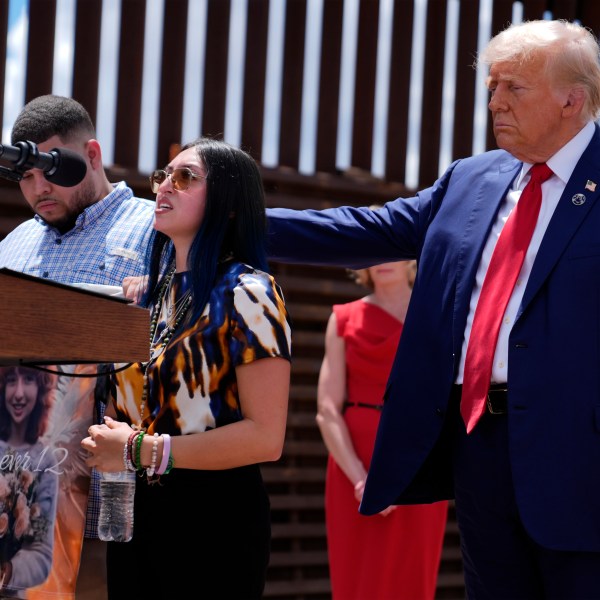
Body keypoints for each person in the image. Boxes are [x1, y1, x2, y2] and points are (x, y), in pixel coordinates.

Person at [265, 18, 600, 598]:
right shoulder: (471, 178)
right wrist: (233, 222)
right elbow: (365, 229)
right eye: (491, 87)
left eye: (512, 88)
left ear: (573, 98)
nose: (494, 102)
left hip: (580, 460)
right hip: (478, 449)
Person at [81, 137, 292, 599]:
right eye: (163, 175)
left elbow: (266, 437)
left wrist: (142, 450)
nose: (164, 186)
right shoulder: (147, 298)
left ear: (229, 204)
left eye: (185, 177)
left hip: (214, 521)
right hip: (134, 518)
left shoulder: (250, 292)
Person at [0, 94, 155, 597]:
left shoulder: (156, 229)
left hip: (118, 482)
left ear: (91, 155)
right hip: (16, 489)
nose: (39, 187)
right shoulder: (15, 244)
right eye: (25, 176)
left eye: (50, 167)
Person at [317, 255, 448, 600]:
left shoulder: (436, 314)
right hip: (353, 469)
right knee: (357, 582)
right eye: (374, 251)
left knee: (413, 579)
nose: (383, 260)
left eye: (393, 249)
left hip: (419, 468)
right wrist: (362, 480)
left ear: (411, 258)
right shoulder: (343, 318)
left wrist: (406, 477)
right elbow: (327, 409)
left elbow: (445, 403)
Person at [0, 367, 58, 597]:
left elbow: (41, 552)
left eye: (29, 380)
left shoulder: (45, 461)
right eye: (11, 381)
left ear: (42, 388)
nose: (19, 393)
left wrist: (7, 572)